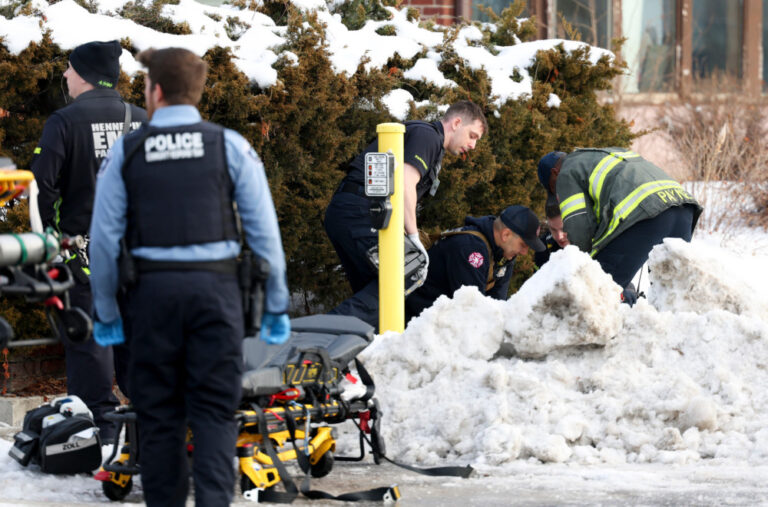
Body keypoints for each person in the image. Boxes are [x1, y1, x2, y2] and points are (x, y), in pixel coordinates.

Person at [89, 47, 290, 506]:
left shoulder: (127, 151)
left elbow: (102, 242)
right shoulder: (231, 146)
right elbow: (265, 238)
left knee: (160, 419)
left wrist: (105, 312)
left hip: (152, 298)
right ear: (195, 93)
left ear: (155, 91)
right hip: (215, 296)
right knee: (216, 415)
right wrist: (276, 304)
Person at [30, 40, 147, 444]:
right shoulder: (144, 120)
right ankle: (145, 430)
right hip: (138, 258)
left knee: (89, 347)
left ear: (82, 74)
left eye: (68, 69)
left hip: (82, 259)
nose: (64, 75)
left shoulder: (64, 122)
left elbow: (40, 188)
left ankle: (98, 434)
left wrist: (48, 244)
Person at [325, 101, 487, 325]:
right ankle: (317, 336)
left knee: (377, 297)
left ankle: (351, 348)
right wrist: (413, 237)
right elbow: (404, 184)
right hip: (361, 212)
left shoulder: (427, 140)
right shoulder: (428, 137)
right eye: (472, 136)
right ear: (457, 123)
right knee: (405, 273)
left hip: (354, 212)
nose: (473, 145)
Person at [537, 147, 702, 292]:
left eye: (554, 188)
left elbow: (578, 227)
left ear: (555, 173)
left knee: (597, 291)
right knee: (672, 294)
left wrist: (582, 266)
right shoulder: (605, 154)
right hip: (683, 208)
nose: (558, 195)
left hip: (647, 215)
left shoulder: (566, 173)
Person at [406, 205, 545, 320]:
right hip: (414, 326)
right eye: (523, 244)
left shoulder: (504, 255)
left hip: (440, 325)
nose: (525, 252)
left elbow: (497, 306)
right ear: (506, 235)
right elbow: (471, 311)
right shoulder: (469, 249)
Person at [534, 194, 570, 269]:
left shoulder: (593, 240)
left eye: (563, 229)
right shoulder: (543, 248)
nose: (559, 237)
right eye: (553, 230)